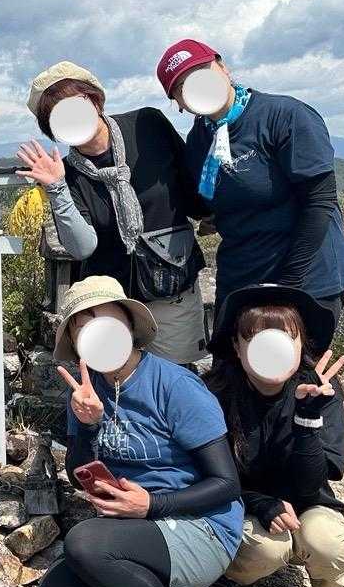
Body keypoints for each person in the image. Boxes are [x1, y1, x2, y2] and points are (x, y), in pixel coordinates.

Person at [35, 275, 243, 587]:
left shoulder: (175, 386)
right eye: (81, 324)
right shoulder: (84, 393)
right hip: (134, 527)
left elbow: (227, 485)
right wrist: (88, 426)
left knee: (85, 542)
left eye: (103, 316)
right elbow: (77, 472)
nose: (94, 329)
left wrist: (151, 504)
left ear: (128, 323)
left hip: (201, 525)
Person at [198, 284, 344, 587]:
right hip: (239, 502)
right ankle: (233, 576)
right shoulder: (216, 394)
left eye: (287, 339)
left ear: (301, 345)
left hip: (309, 501)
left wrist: (306, 419)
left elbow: (310, 485)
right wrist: (260, 502)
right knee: (266, 549)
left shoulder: (321, 391)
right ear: (237, 347)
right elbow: (205, 473)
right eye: (256, 339)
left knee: (327, 541)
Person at [156, 40, 344, 346]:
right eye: (182, 86)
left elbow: (320, 202)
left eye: (201, 71)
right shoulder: (198, 141)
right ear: (179, 102)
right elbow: (214, 200)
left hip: (306, 279)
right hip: (240, 280)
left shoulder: (285, 116)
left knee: (293, 372)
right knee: (229, 370)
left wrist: (288, 288)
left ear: (222, 67)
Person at [17, 61, 208, 366]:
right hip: (110, 302)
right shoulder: (68, 176)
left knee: (177, 378)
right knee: (116, 385)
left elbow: (192, 186)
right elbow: (82, 247)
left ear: (94, 99)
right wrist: (57, 189)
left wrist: (219, 214)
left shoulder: (148, 126)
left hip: (172, 286)